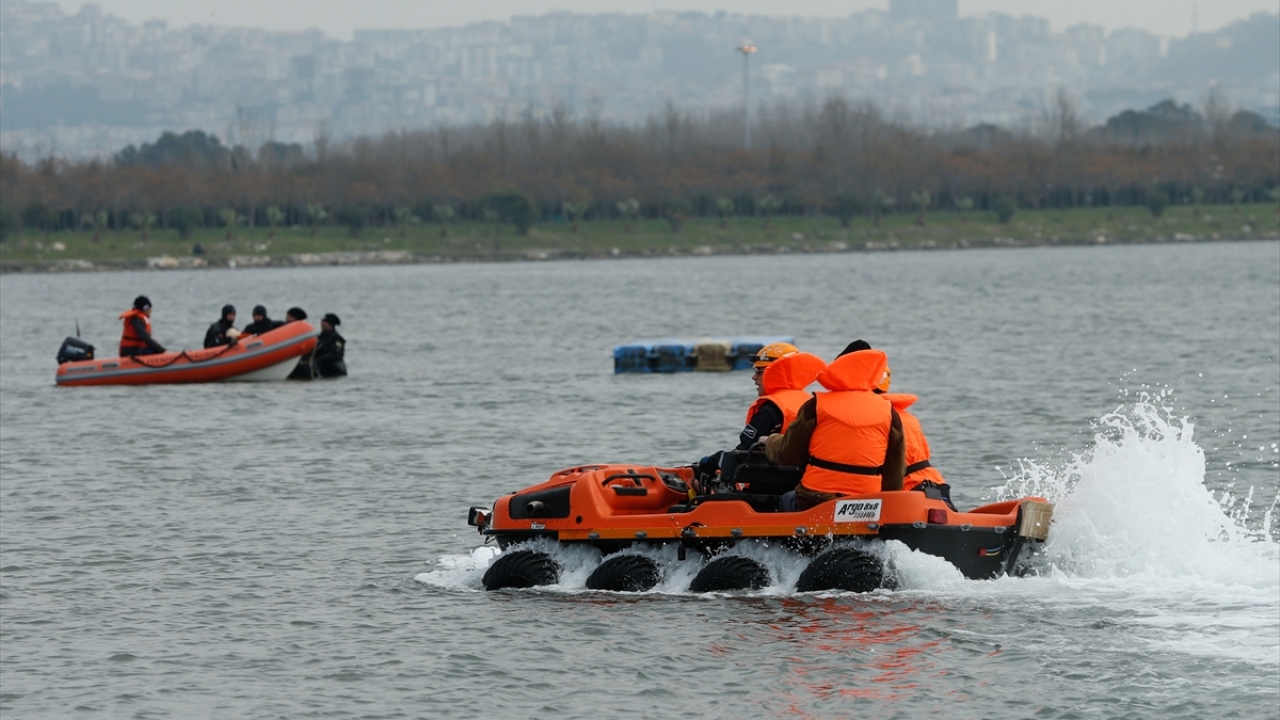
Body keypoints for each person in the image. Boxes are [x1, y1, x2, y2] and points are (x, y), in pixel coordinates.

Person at [764, 341, 905, 511]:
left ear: (838, 368)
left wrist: (770, 441)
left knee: (784, 499)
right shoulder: (890, 412)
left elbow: (788, 455)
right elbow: (895, 474)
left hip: (815, 499)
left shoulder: (816, 405)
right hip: (866, 504)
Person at [695, 342, 825, 488]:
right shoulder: (812, 403)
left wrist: (709, 462)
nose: (754, 377)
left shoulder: (771, 410)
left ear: (777, 372)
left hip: (768, 488)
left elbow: (743, 453)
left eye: (759, 371)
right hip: (803, 484)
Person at [313, 312, 347, 377]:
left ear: (330, 324)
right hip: (322, 369)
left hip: (335, 370)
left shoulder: (337, 339)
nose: (322, 323)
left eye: (324, 321)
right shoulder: (320, 337)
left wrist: (319, 360)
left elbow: (337, 355)